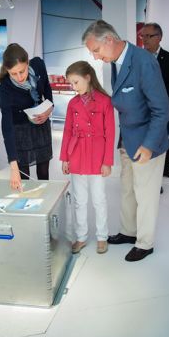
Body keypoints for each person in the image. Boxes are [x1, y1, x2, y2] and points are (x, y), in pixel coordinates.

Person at [82, 20, 169, 262]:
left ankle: (145, 243)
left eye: (96, 50)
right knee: (128, 190)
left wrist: (149, 145)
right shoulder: (114, 62)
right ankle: (129, 232)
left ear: (109, 40)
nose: (96, 57)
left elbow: (161, 109)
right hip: (128, 139)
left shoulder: (144, 62)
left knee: (146, 194)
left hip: (147, 142)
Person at [59, 61, 115, 255]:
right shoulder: (73, 103)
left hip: (97, 155)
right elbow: (67, 131)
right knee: (79, 200)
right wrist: (65, 158)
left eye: (75, 82)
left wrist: (107, 161)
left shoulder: (105, 101)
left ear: (88, 77)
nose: (73, 87)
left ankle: (102, 237)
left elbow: (111, 133)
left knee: (99, 199)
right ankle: (81, 237)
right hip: (76, 155)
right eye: (71, 84)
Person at [0, 43, 54, 191]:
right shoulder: (5, 86)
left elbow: (47, 88)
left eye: (22, 71)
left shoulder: (39, 65)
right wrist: (13, 166)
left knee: (43, 173)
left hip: (41, 125)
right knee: (23, 176)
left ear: (28, 62)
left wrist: (49, 109)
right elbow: (7, 126)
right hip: (20, 130)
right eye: (13, 74)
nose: (19, 77)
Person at [139, 22, 169, 181]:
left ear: (159, 37)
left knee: (157, 146)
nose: (145, 40)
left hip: (159, 111)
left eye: (149, 36)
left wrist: (158, 101)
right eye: (143, 36)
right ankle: (144, 179)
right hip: (141, 111)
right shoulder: (137, 57)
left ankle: (156, 179)